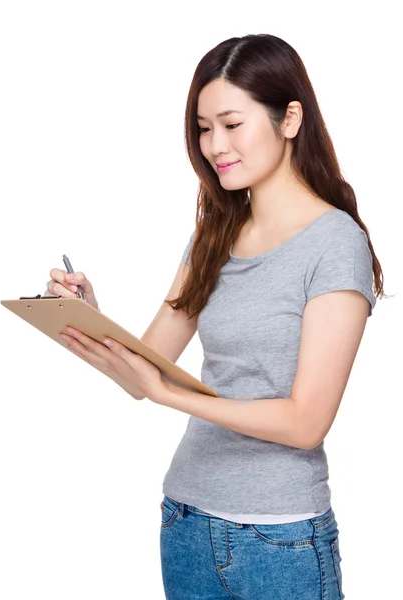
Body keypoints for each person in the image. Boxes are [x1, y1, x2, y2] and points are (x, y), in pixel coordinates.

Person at [45, 33, 385, 600]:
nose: (213, 145)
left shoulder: (334, 245)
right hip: (186, 521)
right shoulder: (214, 235)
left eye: (231, 124)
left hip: (280, 542)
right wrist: (87, 318)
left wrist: (169, 394)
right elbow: (146, 370)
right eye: (204, 128)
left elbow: (306, 422)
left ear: (290, 119)